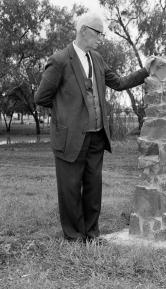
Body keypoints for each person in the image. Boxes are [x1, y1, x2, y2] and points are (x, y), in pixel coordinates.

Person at [35, 12, 153, 243]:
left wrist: (145, 70)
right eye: (98, 32)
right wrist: (67, 114)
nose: (101, 37)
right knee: (69, 189)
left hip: (97, 137)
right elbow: (42, 97)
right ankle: (74, 236)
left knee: (93, 188)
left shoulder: (97, 59)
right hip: (69, 139)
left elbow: (118, 83)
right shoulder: (59, 60)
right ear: (84, 31)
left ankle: (91, 234)